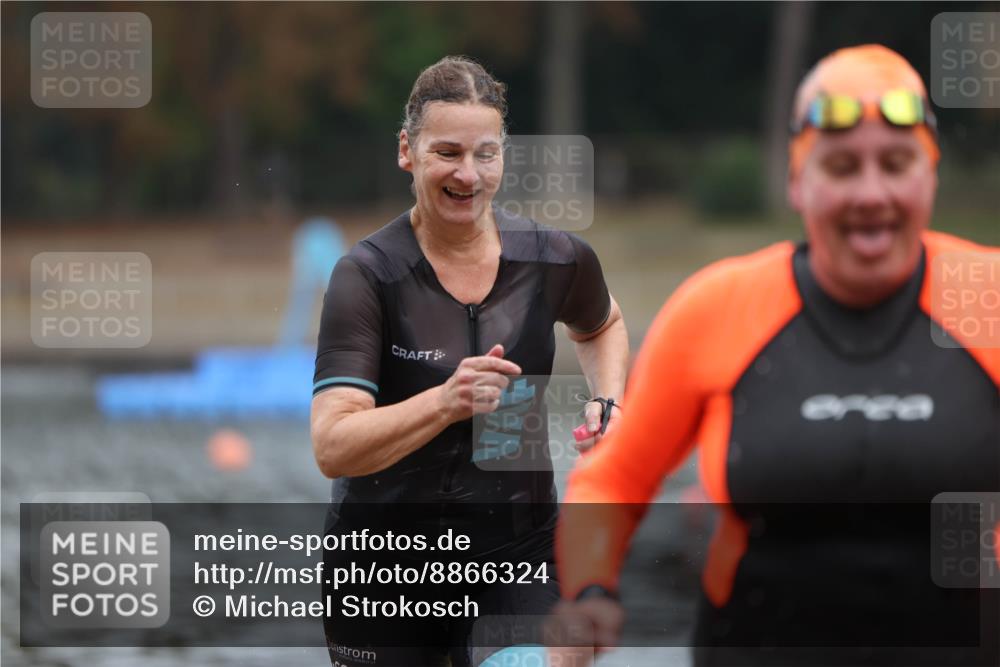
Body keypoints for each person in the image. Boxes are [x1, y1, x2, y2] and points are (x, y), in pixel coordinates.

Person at [552, 44, 999, 666]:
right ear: (797, 180)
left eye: (896, 164)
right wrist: (590, 594)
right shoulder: (719, 309)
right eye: (842, 167)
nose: (871, 193)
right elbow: (613, 478)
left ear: (931, 175)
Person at [310, 56, 629, 667]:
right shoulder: (368, 277)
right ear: (407, 150)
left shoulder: (554, 261)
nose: (469, 174)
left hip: (519, 548)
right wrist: (445, 402)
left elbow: (604, 323)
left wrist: (607, 399)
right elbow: (333, 445)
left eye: (486, 154)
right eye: (448, 152)